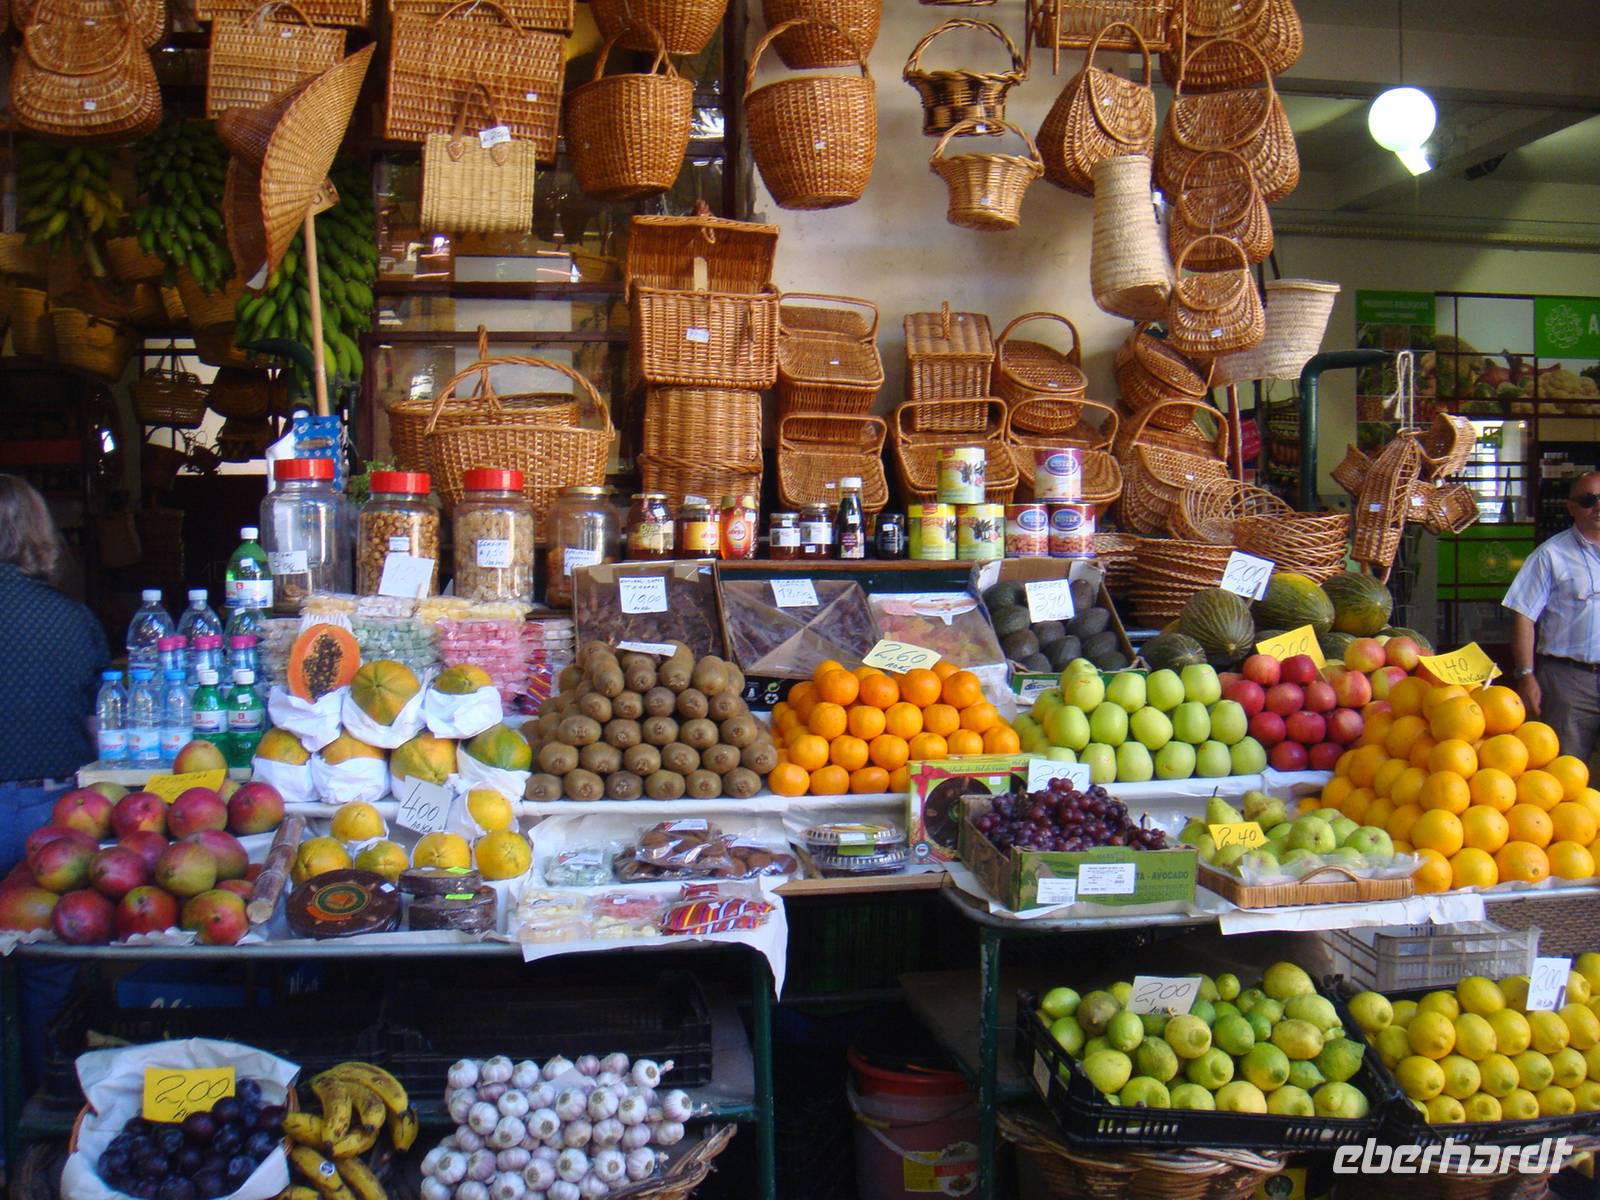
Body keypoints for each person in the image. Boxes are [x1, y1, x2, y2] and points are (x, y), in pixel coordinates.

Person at [0, 474, 108, 1149]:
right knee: (47, 968)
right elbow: (104, 726)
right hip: (46, 819)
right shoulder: (70, 621)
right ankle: (47, 1121)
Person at [1503, 470, 1600, 766]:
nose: (1597, 507)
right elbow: (1523, 615)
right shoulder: (1550, 555)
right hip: (1569, 681)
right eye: (1588, 500)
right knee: (1565, 770)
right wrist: (1525, 674)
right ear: (1571, 506)